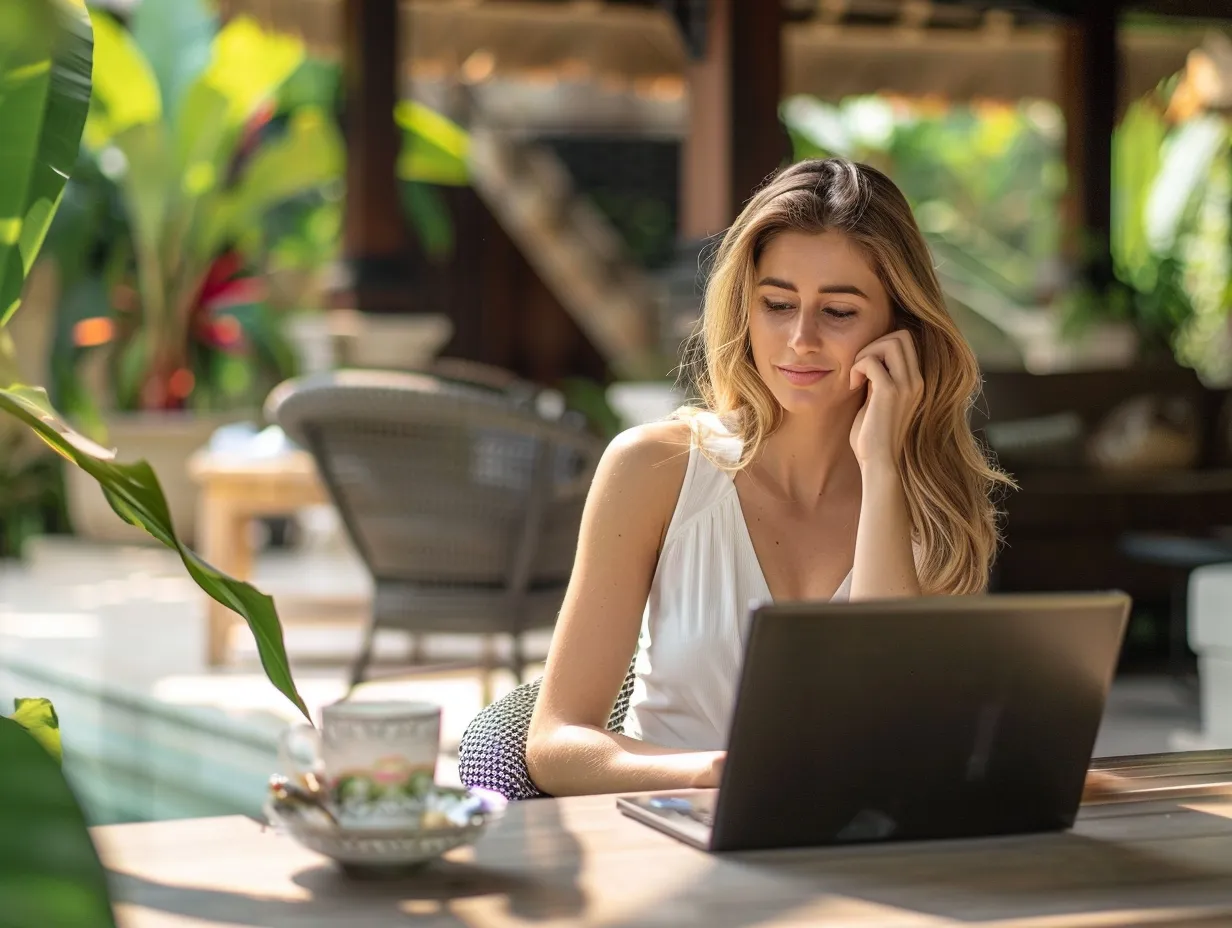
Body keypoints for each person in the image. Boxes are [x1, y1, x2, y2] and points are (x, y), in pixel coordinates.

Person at [525, 157, 1014, 798]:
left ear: (899, 329)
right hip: (667, 850)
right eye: (778, 304)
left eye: (838, 312)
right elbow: (556, 743)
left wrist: (882, 467)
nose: (800, 338)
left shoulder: (931, 502)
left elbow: (890, 728)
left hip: (858, 855)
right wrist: (714, 772)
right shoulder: (653, 470)